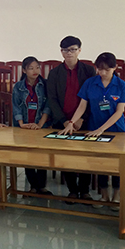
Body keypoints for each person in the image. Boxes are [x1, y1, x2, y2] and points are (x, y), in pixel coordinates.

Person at [61, 52, 125, 209]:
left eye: (107, 70)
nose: (102, 73)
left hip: (116, 130)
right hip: (94, 129)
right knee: (101, 163)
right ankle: (104, 196)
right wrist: (71, 122)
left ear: (115, 68)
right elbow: (82, 106)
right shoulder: (90, 83)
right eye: (99, 69)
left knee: (116, 164)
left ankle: (116, 196)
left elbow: (119, 112)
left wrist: (101, 129)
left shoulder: (121, 85)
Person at [47, 36, 96, 204]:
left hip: (84, 121)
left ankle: (85, 190)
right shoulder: (54, 73)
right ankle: (72, 190)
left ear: (79, 50)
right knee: (65, 156)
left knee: (85, 155)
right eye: (65, 50)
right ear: (61, 52)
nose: (69, 53)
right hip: (62, 121)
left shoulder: (89, 71)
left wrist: (82, 118)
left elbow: (92, 98)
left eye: (73, 49)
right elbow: (52, 99)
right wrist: (64, 121)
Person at [11, 57, 52, 195]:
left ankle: (42, 186)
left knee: (41, 156)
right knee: (28, 155)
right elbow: (16, 106)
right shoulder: (18, 86)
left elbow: (48, 106)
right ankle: (33, 185)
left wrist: (40, 124)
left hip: (41, 126)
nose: (35, 71)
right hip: (25, 126)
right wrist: (22, 124)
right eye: (31, 68)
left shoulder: (45, 84)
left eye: (37, 67)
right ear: (24, 70)